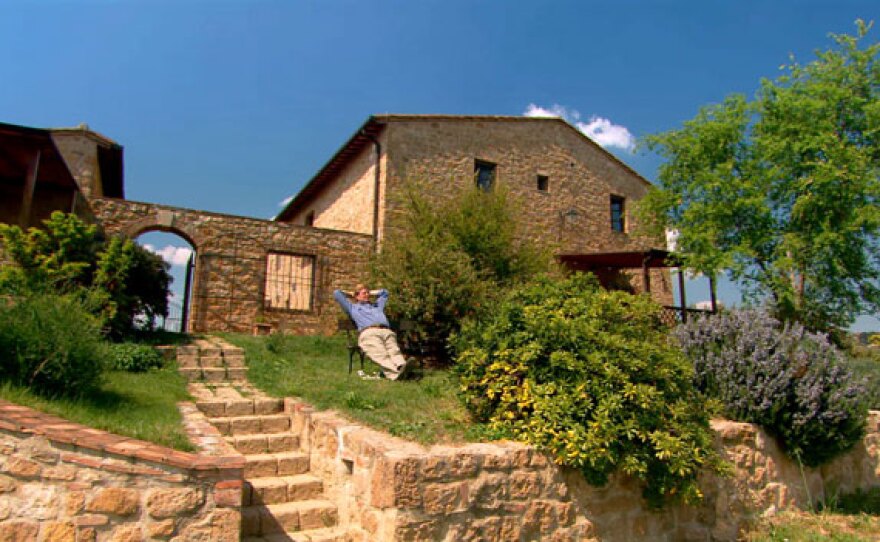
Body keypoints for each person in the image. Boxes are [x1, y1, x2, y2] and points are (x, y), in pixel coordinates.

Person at [334, 284, 410, 380]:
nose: (367, 295)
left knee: (394, 350)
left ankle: (402, 366)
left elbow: (385, 293)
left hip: (386, 331)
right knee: (380, 353)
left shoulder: (377, 306)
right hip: (369, 333)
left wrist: (370, 292)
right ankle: (395, 373)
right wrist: (351, 293)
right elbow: (337, 293)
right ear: (357, 296)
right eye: (364, 293)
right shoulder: (352, 308)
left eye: (368, 293)